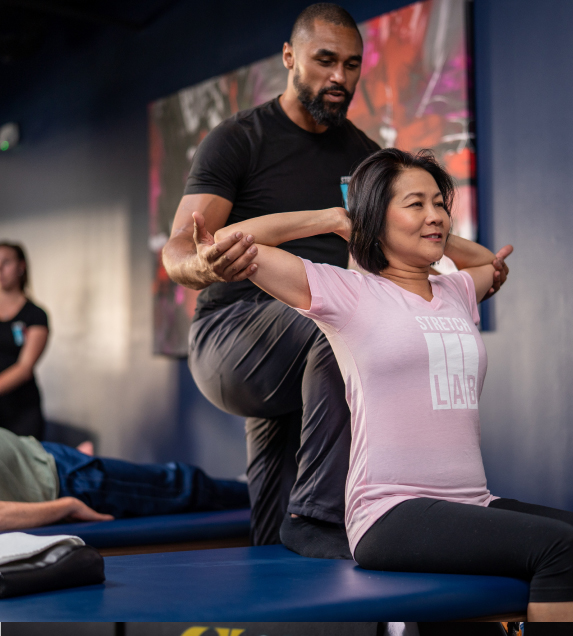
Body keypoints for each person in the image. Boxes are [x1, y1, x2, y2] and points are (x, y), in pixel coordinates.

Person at [209, 148, 573, 622]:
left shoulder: (454, 290)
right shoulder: (347, 293)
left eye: (440, 203)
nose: (435, 216)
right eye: (416, 204)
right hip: (390, 512)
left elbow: (488, 263)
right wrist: (334, 217)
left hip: (472, 504)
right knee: (558, 548)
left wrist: (426, 230)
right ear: (373, 215)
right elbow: (228, 239)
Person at [161, 3, 510, 557]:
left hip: (307, 347)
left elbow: (419, 233)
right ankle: (323, 515)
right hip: (233, 340)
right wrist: (202, 265)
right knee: (344, 328)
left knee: (275, 531)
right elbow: (181, 249)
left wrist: (485, 261)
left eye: (351, 65)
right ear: (289, 57)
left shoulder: (365, 157)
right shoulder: (238, 139)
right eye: (325, 61)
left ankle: (293, 574)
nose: (339, 78)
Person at [0, 427, 250, 532]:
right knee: (180, 485)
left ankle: (252, 489)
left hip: (40, 456)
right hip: (66, 481)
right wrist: (68, 505)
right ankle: (254, 492)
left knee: (176, 483)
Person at [0, 242, 49, 440]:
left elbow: (24, 368)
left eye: (6, 263)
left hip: (21, 411)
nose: (0, 269)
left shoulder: (35, 315)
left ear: (21, 267)